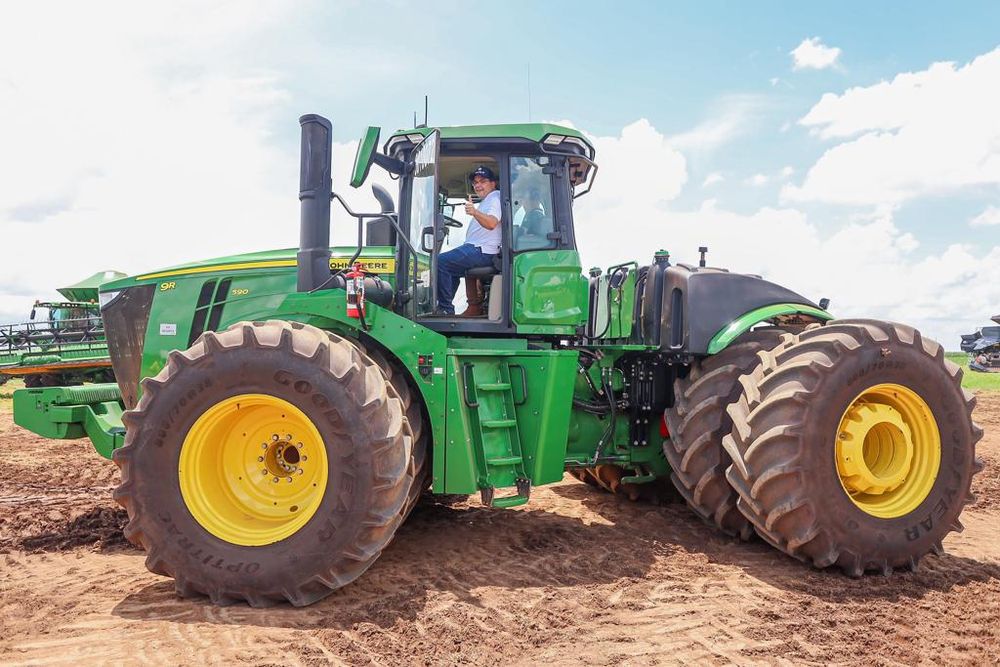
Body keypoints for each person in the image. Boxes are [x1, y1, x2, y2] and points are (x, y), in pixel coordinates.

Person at [436, 165, 501, 316]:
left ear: (493, 183)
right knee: (450, 268)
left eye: (483, 181)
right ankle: (460, 307)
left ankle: (445, 309)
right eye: (475, 182)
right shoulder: (487, 201)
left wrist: (474, 212)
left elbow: (491, 223)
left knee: (441, 262)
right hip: (478, 248)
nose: (478, 185)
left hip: (483, 250)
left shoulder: (495, 198)